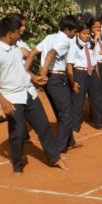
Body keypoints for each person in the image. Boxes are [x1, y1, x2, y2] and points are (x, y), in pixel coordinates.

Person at [0, 16, 68, 175]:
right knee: (17, 134)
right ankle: (17, 166)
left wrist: (33, 77)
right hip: (12, 99)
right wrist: (3, 101)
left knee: (44, 127)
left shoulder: (16, 47)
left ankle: (55, 158)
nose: (19, 35)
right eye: (18, 32)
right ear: (10, 33)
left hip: (29, 93)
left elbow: (20, 69)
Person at [25, 15, 80, 153]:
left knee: (59, 110)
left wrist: (26, 70)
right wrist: (42, 73)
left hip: (50, 80)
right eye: (74, 31)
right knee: (66, 114)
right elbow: (51, 52)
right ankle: (59, 149)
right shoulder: (65, 40)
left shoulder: (50, 37)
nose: (75, 34)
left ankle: (70, 141)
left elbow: (32, 53)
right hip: (56, 78)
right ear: (68, 30)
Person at [67, 21, 102, 133]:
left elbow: (95, 61)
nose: (86, 36)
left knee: (96, 98)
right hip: (80, 73)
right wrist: (72, 81)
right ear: (78, 33)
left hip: (92, 73)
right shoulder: (73, 45)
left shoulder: (92, 44)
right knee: (78, 101)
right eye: (84, 33)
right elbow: (69, 64)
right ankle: (75, 127)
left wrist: (96, 75)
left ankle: (98, 122)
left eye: (88, 33)